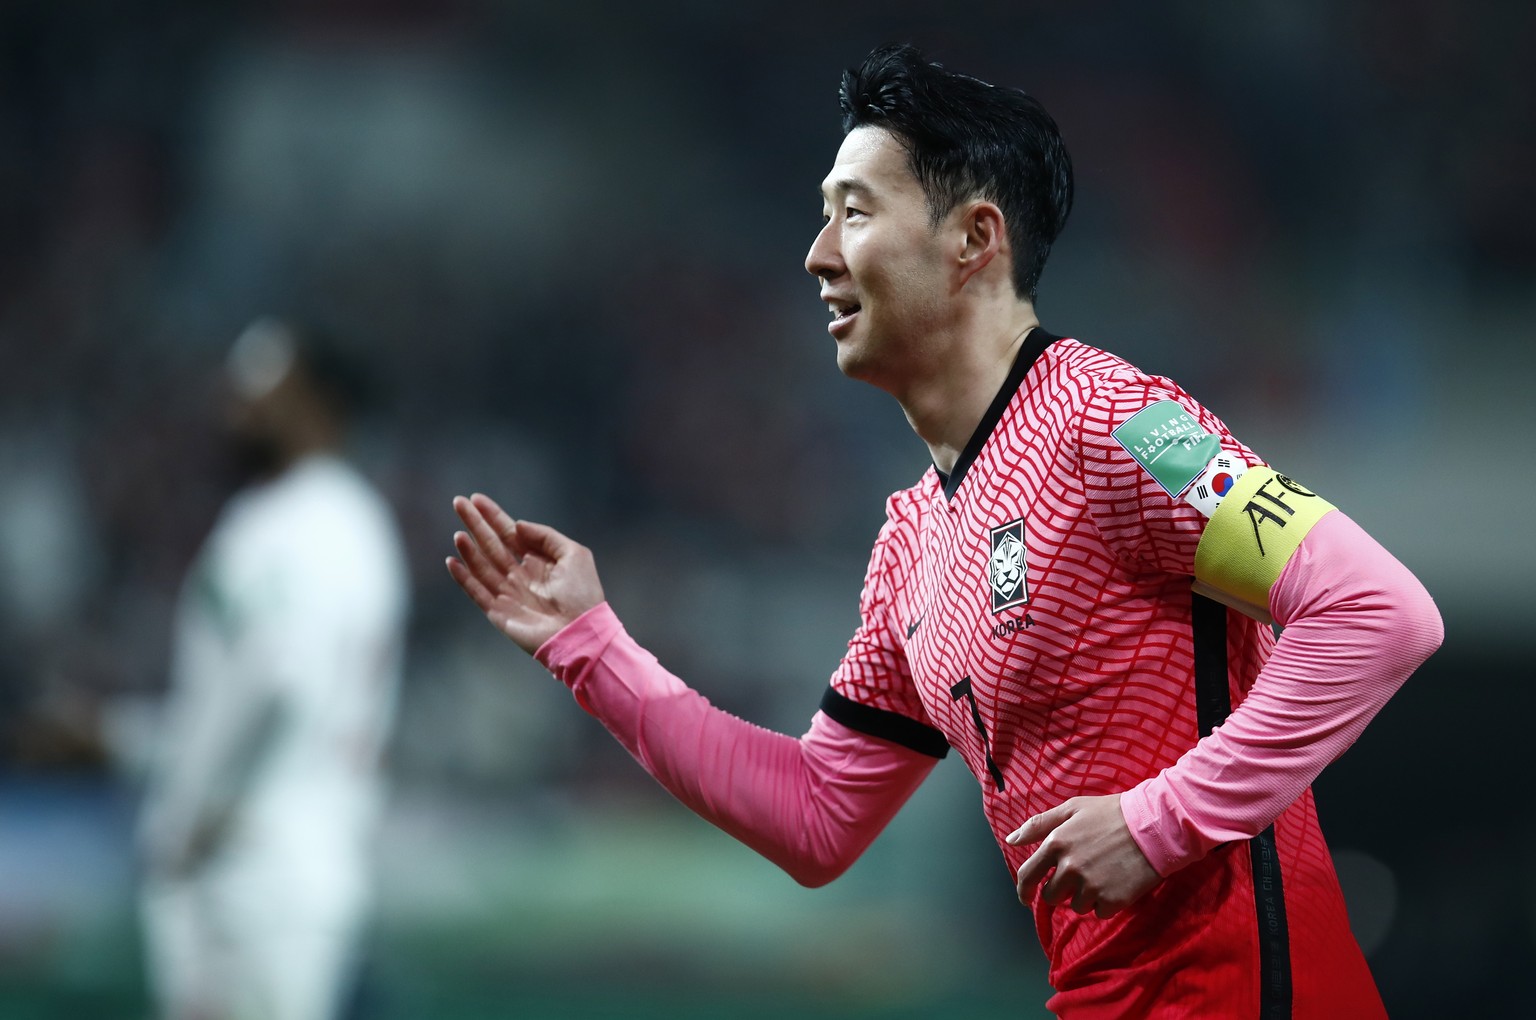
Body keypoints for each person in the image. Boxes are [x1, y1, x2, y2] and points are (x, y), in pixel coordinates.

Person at [446, 44, 1442, 1019]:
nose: (818, 255)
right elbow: (817, 816)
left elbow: (1377, 611)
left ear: (974, 240)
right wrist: (592, 648)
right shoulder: (914, 541)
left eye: (855, 213)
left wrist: (1160, 819)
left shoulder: (1120, 423)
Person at [139, 318, 410, 1020]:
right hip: (277, 861)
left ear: (319, 404)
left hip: (261, 867)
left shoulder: (308, 522)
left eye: (262, 387)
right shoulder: (332, 521)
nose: (237, 405)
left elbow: (284, 680)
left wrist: (200, 812)